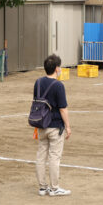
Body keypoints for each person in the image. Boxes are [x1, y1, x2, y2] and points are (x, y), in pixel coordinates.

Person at [34, 54, 71, 197]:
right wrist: (68, 126)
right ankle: (55, 187)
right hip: (55, 125)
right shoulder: (58, 85)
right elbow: (63, 108)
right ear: (56, 69)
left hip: (41, 124)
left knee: (41, 156)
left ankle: (43, 187)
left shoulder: (38, 82)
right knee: (54, 157)